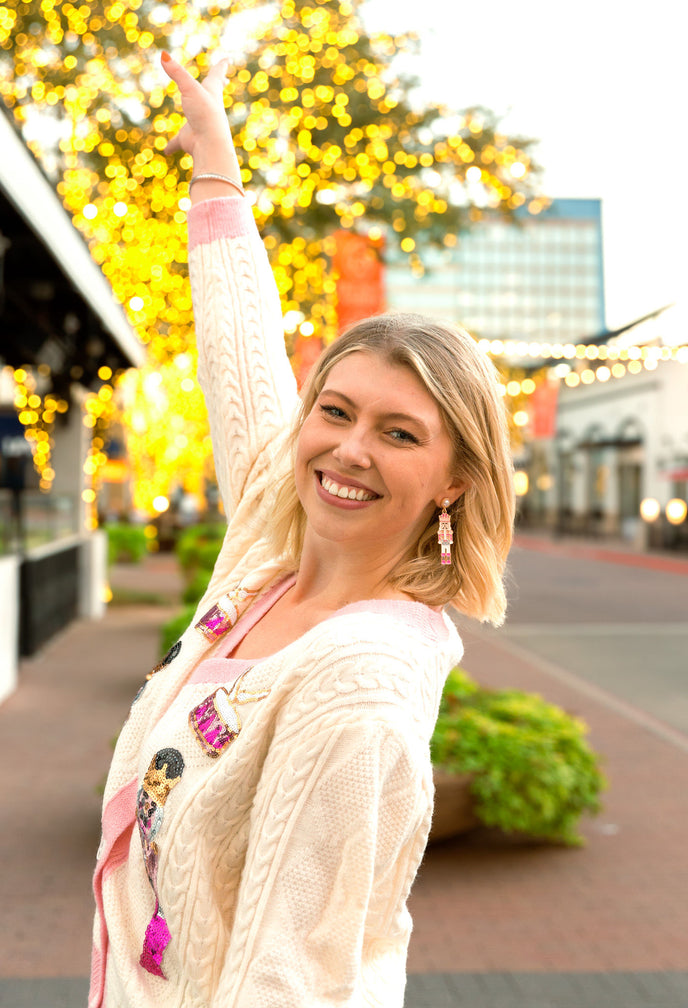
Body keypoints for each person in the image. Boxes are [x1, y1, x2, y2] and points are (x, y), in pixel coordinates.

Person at [88, 50, 514, 1008]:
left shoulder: (359, 688)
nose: (348, 451)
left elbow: (295, 980)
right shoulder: (272, 562)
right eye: (336, 411)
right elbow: (243, 373)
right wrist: (215, 175)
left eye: (398, 433)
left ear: (454, 482)